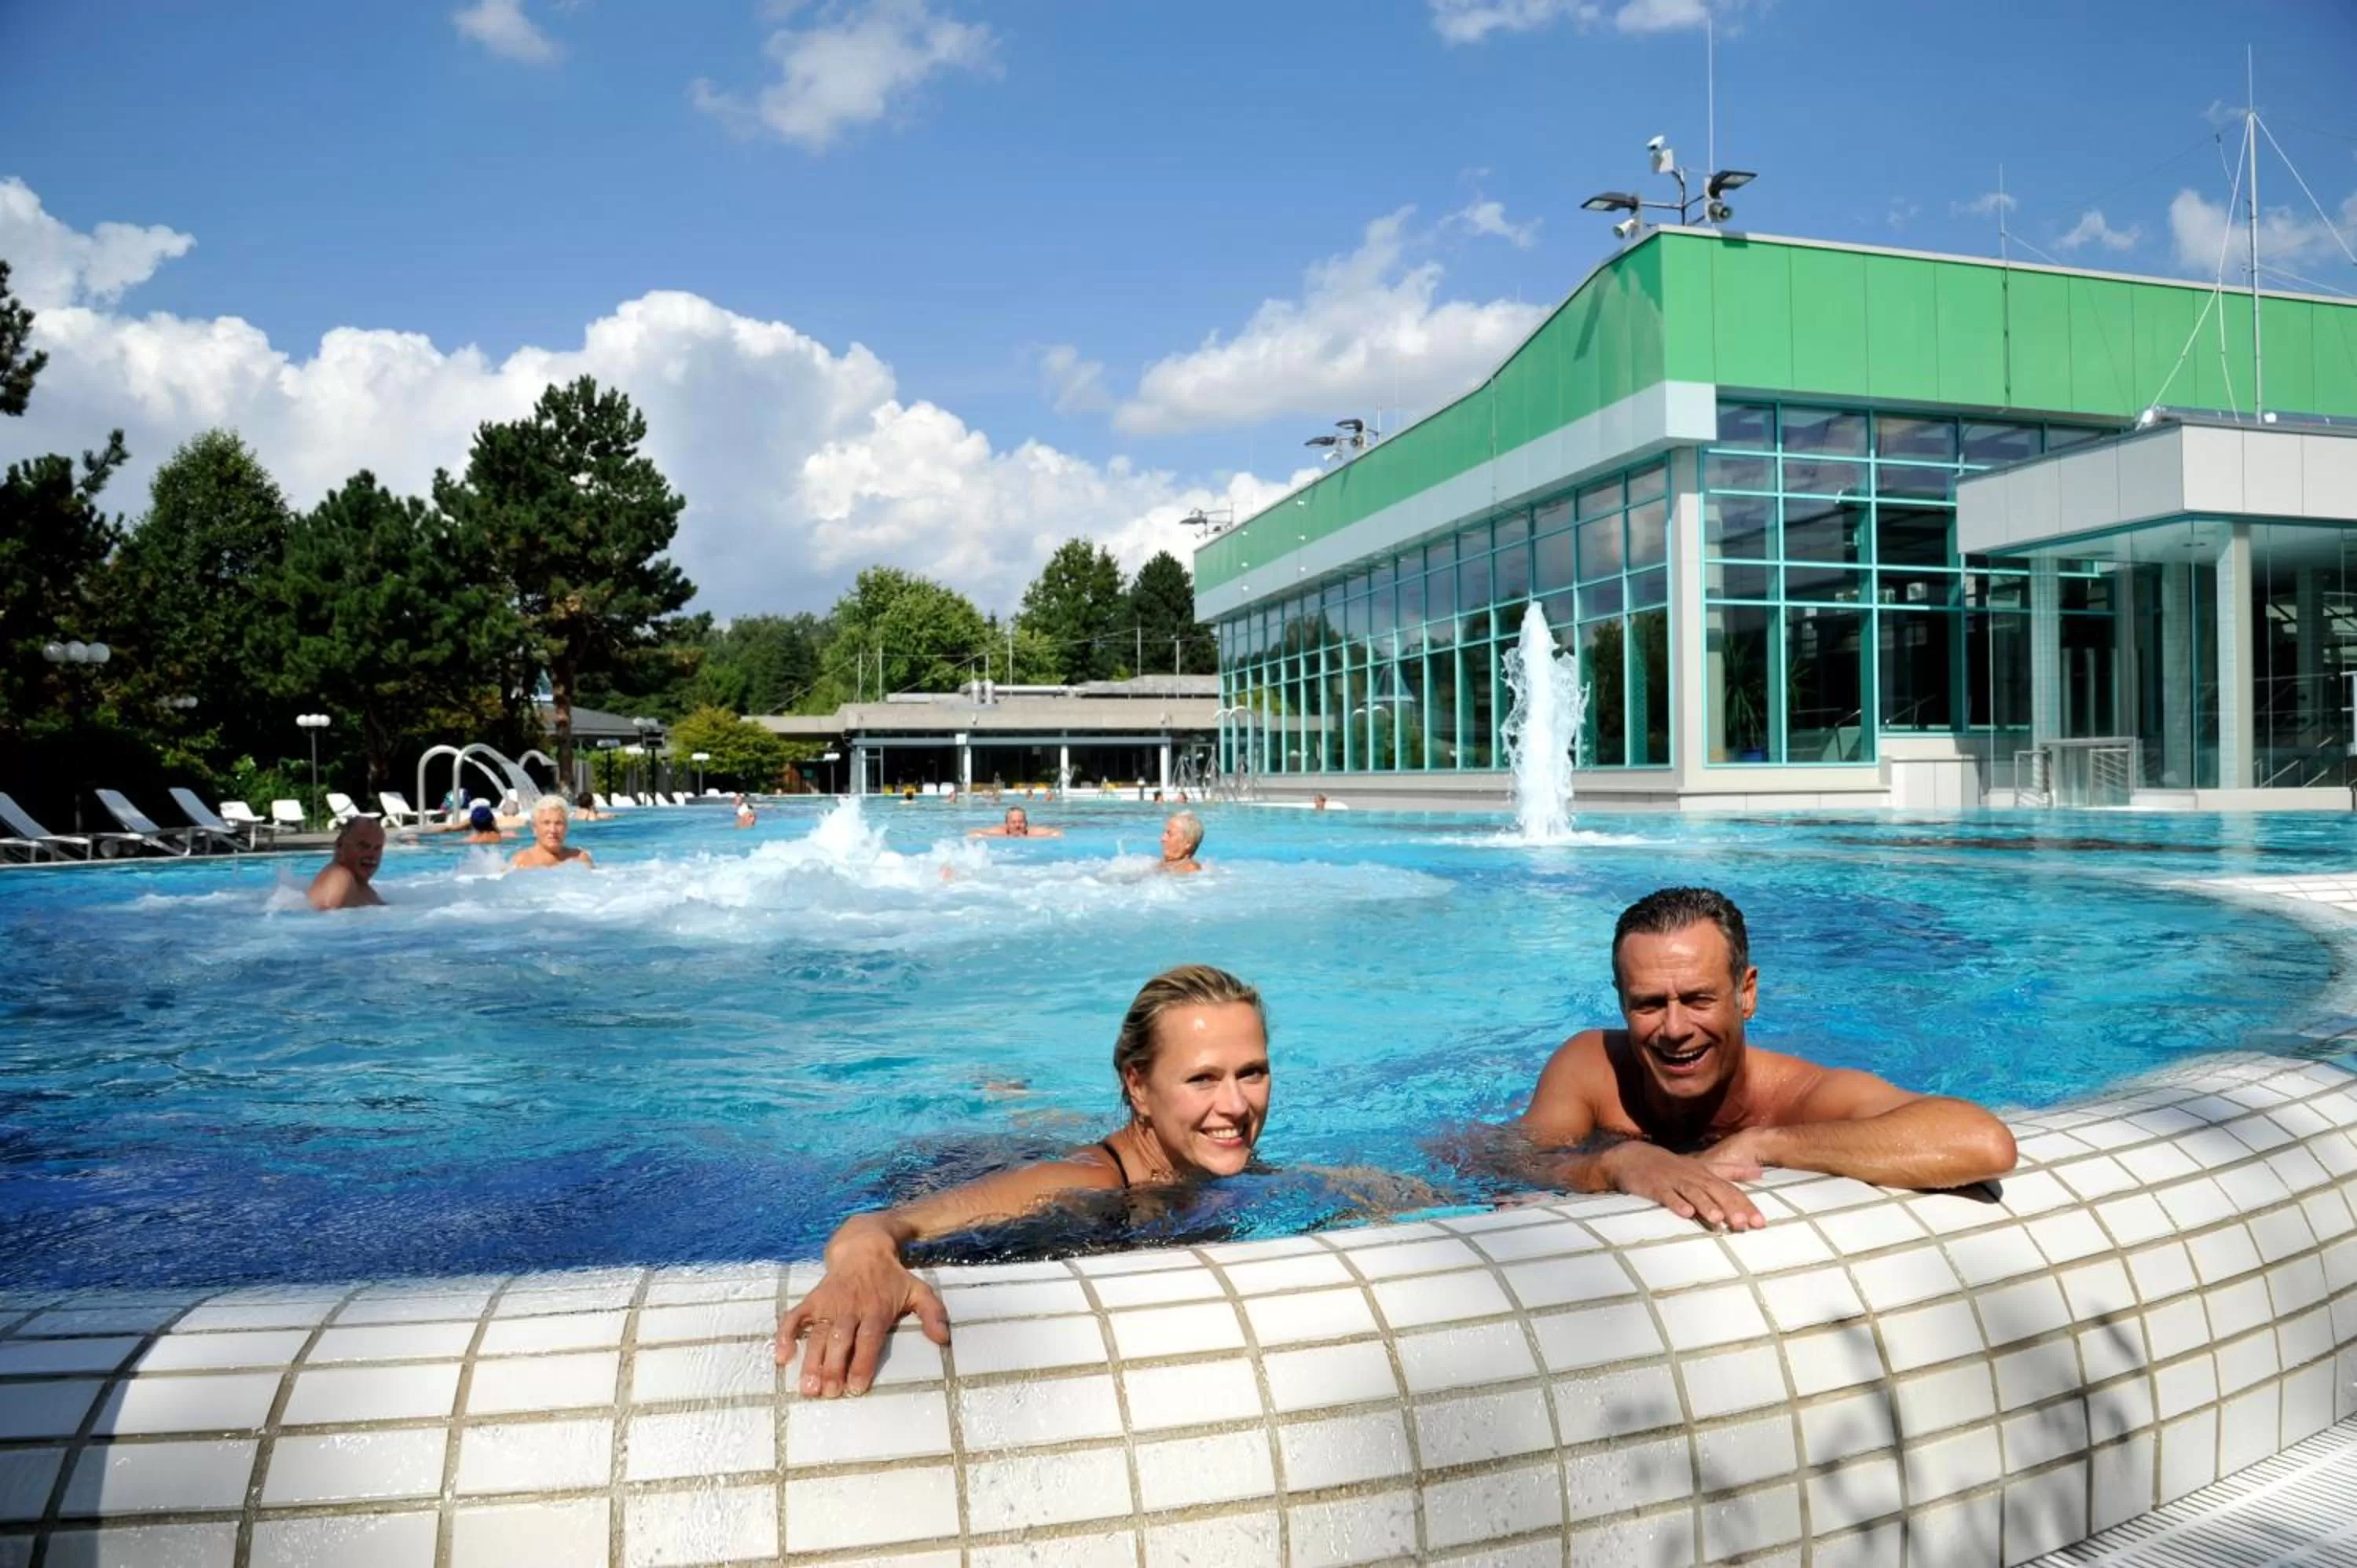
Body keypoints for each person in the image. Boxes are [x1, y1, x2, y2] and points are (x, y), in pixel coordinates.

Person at [775, 964, 1271, 1398]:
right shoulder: (1085, 1184)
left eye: (1252, 1073)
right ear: (1138, 1086)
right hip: (943, 1168)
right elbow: (878, 1226)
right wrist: (862, 1268)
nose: (1235, 1105)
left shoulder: (1221, 1161)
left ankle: (1014, 1098)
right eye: (1203, 1078)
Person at [1510, 886, 2017, 1231]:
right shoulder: (1592, 1066)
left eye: (1699, 999)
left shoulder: (1800, 1098)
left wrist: (1764, 1144)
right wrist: (1616, 1163)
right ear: (1622, 1002)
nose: (1675, 1029)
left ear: (1746, 994)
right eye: (1649, 1004)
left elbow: (1982, 1142)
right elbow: (1508, 1163)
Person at [306, 817, 387, 910]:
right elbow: (325, 914)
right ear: (340, 846)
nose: (372, 855)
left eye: (377, 848)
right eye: (363, 846)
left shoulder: (356, 884)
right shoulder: (339, 877)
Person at [509, 795, 596, 870]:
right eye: (546, 823)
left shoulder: (580, 858)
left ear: (566, 828)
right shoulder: (522, 861)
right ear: (534, 828)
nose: (553, 830)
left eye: (558, 823)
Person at [969, 806, 1061, 840]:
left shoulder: (1032, 833)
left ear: (1026, 824)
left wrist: (1030, 838)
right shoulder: (1000, 832)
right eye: (1013, 822)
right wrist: (1001, 838)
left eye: (1021, 822)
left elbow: (1057, 833)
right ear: (1007, 824)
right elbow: (973, 833)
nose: (1017, 825)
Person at [1158, 810, 1204, 874]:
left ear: (1188, 843)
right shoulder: (1165, 864)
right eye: (1164, 833)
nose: (1163, 839)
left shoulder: (1189, 868)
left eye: (1170, 834)